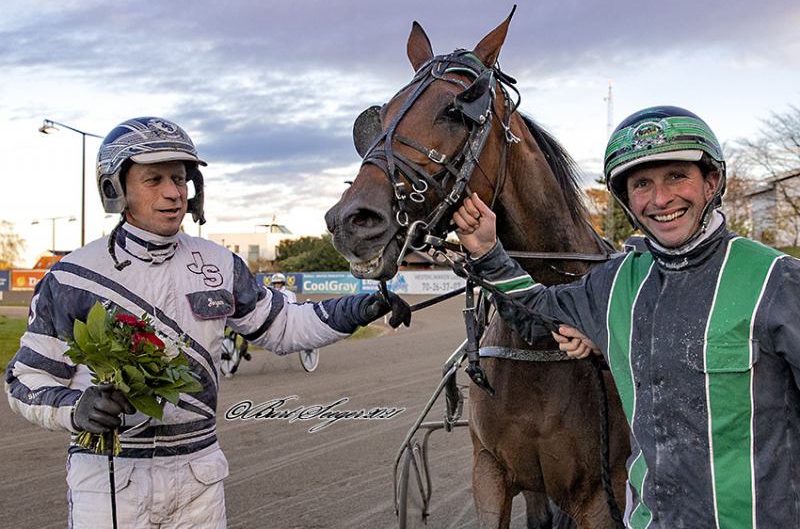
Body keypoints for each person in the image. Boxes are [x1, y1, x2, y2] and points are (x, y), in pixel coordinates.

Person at [5, 117, 411, 529]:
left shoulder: (219, 263)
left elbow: (285, 326)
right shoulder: (73, 276)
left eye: (180, 179)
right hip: (109, 480)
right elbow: (25, 381)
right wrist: (76, 409)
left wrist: (360, 309)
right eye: (154, 180)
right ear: (115, 188)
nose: (172, 193)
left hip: (198, 478)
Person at [453, 106, 800, 528]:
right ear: (626, 198)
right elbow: (537, 317)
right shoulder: (615, 282)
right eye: (642, 184)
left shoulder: (777, 281)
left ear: (711, 182)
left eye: (676, 176)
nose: (660, 199)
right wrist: (489, 253)